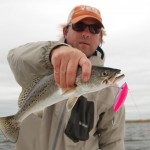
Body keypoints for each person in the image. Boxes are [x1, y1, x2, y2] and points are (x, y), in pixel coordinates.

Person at [7, 5, 125, 150]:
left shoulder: (111, 93)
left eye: (94, 29)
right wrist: (52, 52)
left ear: (100, 38)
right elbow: (14, 56)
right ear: (66, 31)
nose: (86, 33)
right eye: (79, 26)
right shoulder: (39, 65)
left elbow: (113, 143)